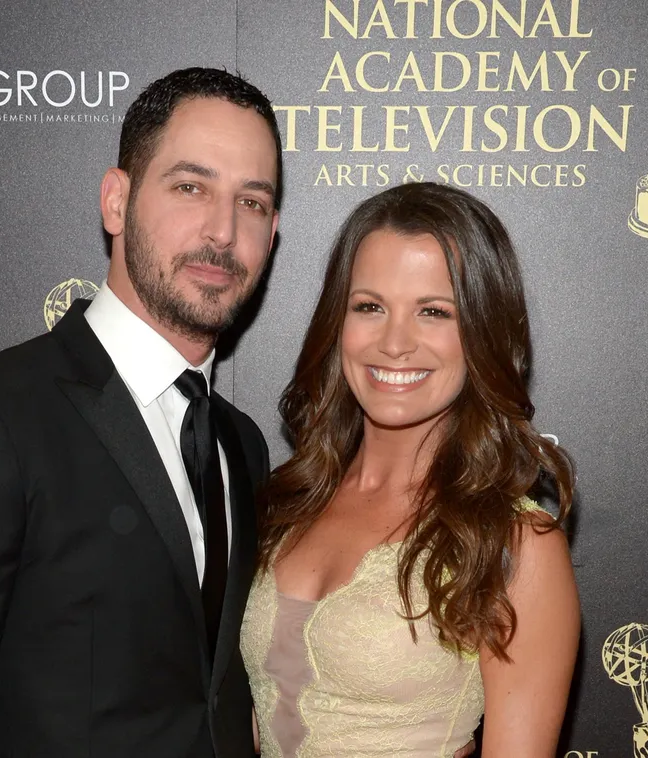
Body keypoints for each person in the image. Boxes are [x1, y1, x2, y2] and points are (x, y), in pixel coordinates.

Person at [0, 67, 282, 757]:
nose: (222, 230)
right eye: (190, 186)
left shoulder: (241, 445)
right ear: (115, 202)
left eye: (253, 202)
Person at [240, 182, 580, 757]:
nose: (395, 342)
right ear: (337, 321)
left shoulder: (517, 545)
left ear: (482, 332)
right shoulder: (289, 500)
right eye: (369, 306)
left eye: (433, 312)